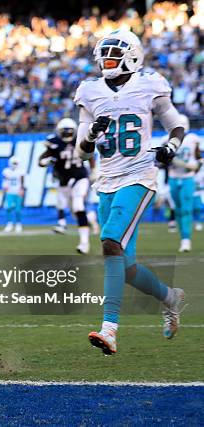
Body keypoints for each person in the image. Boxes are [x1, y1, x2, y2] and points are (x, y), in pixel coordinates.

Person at [74, 29, 186, 355]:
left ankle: (109, 330)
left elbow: (177, 124)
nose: (107, 61)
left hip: (139, 176)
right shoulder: (90, 91)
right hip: (106, 180)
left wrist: (172, 146)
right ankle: (170, 297)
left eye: (114, 55)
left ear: (131, 56)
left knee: (110, 240)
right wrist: (93, 133)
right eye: (104, 55)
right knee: (127, 266)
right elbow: (82, 152)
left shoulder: (150, 84)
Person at [39, 118, 96, 253]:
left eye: (68, 132)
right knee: (75, 212)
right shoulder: (54, 143)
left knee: (78, 205)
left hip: (80, 178)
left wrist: (94, 171)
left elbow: (90, 156)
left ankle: (84, 243)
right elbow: (41, 160)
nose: (66, 135)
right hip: (64, 180)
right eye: (64, 132)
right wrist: (45, 162)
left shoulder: (80, 140)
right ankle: (91, 218)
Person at [167, 115, 200, 252]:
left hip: (187, 177)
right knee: (178, 210)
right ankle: (183, 237)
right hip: (174, 177)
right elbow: (162, 161)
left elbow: (199, 158)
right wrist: (174, 161)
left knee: (186, 209)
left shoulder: (193, 139)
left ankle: (186, 239)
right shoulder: (167, 140)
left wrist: (196, 165)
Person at [2, 157, 25, 233]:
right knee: (8, 208)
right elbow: (5, 180)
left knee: (18, 209)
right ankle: (9, 223)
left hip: (17, 191)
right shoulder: (7, 171)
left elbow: (22, 181)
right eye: (13, 163)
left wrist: (22, 189)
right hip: (9, 191)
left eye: (16, 163)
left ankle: (18, 224)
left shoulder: (20, 171)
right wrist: (4, 186)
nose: (14, 165)